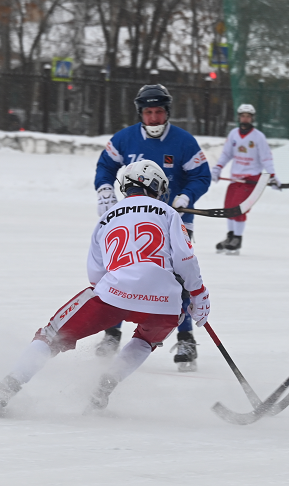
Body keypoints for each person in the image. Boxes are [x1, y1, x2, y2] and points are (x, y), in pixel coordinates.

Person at [0, 160, 211, 416]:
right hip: (165, 303)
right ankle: (102, 390)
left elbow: (96, 274)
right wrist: (197, 293)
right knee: (146, 340)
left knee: (51, 335)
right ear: (156, 187)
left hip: (114, 293)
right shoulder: (169, 214)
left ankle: (6, 388)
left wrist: (119, 298)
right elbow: (186, 259)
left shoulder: (105, 219)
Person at [93, 84, 211, 370]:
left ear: (167, 112)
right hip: (131, 222)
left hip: (173, 225)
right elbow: (105, 167)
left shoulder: (183, 142)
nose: (154, 118)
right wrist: (105, 189)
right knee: (120, 272)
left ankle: (185, 339)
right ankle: (112, 332)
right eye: (149, 112)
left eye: (159, 112)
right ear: (141, 113)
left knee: (179, 281)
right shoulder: (125, 138)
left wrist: (186, 196)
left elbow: (201, 176)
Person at [210, 103, 280, 255]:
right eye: (243, 116)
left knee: (238, 208)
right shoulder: (234, 134)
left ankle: (238, 238)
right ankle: (230, 237)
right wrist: (217, 168)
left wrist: (272, 176)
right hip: (236, 178)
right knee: (228, 208)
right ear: (239, 117)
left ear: (252, 118)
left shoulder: (258, 137)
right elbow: (227, 154)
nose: (245, 119)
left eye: (248, 116)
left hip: (251, 178)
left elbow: (266, 158)